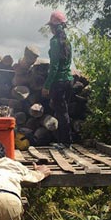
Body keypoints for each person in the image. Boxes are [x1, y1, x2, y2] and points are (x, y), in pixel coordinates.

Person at [41, 10, 74, 145]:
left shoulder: (55, 42)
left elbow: (54, 66)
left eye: (51, 27)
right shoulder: (67, 42)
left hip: (59, 82)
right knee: (63, 112)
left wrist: (47, 85)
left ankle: (65, 143)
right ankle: (65, 141)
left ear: (54, 27)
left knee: (61, 113)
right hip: (69, 80)